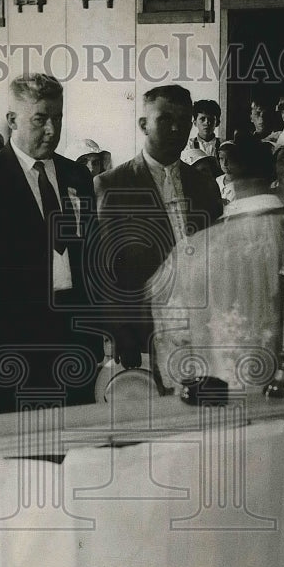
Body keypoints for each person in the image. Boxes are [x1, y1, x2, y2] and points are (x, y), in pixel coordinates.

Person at [0, 73, 102, 411]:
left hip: (75, 343)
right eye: (40, 119)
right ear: (12, 120)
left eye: (57, 118)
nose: (51, 129)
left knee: (74, 450)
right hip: (14, 344)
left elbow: (89, 258)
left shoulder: (77, 177)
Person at [151, 138, 284, 390]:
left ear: (228, 172)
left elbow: (172, 329)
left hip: (229, 398)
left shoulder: (197, 248)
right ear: (272, 173)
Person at [95, 84, 223, 375]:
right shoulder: (112, 184)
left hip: (201, 323)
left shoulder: (204, 184)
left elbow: (215, 253)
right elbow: (103, 266)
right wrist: (120, 331)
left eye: (184, 120)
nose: (177, 128)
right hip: (142, 327)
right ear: (144, 124)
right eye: (165, 119)